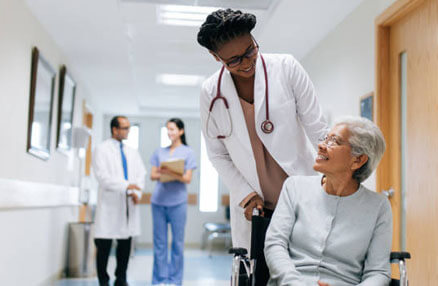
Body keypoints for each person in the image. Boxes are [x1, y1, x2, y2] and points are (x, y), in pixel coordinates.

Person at [197, 8, 328, 250]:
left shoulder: (286, 68)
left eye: (250, 51)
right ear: (216, 57)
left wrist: (336, 175)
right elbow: (217, 153)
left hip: (302, 196)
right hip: (255, 208)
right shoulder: (210, 92)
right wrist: (245, 194)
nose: (246, 63)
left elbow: (318, 129)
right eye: (234, 60)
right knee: (255, 274)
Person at [265, 116, 392, 286]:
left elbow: (378, 272)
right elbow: (275, 244)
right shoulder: (294, 187)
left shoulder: (378, 206)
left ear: (358, 160)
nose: (321, 145)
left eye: (335, 141)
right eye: (326, 138)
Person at [92, 115, 146, 286]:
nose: (128, 131)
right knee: (104, 245)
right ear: (114, 130)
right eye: (125, 128)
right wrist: (127, 185)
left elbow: (141, 175)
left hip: (129, 203)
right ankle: (103, 279)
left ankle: (121, 278)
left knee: (125, 244)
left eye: (129, 128)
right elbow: (103, 177)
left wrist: (137, 192)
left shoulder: (132, 152)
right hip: (110, 203)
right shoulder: (101, 149)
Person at [149, 118, 197, 286]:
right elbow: (153, 175)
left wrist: (171, 173)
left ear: (181, 131)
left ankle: (175, 280)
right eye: (167, 129)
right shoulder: (159, 152)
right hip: (158, 202)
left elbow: (187, 178)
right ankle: (159, 280)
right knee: (159, 244)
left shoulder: (188, 152)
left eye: (172, 129)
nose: (170, 133)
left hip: (178, 203)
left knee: (177, 243)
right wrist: (165, 173)